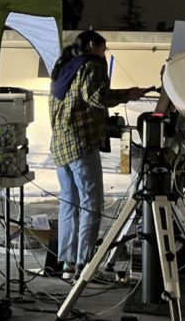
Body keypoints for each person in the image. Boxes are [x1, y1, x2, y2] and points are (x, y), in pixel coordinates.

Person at [49, 30, 149, 281]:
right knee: (91, 204)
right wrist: (129, 94)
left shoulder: (65, 67)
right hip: (82, 145)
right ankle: (85, 266)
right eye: (104, 49)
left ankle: (67, 265)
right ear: (93, 45)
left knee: (69, 205)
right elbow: (96, 97)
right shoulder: (92, 65)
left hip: (61, 145)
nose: (105, 54)